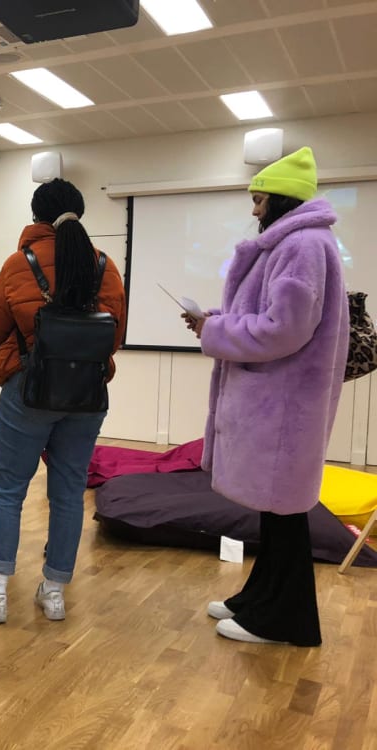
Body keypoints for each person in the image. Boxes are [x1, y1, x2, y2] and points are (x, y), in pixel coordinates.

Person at [184, 147, 348, 646]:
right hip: (281, 402)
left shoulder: (301, 246)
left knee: (285, 517)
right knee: (277, 515)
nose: (254, 210)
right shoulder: (298, 244)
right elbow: (268, 315)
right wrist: (215, 321)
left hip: (283, 405)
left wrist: (214, 328)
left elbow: (284, 329)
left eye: (259, 200)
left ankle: (283, 621)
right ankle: (259, 600)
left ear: (281, 199)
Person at [0, 178, 126, 624]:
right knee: (70, 492)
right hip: (88, 395)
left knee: (8, 488)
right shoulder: (107, 267)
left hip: (30, 391)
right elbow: (116, 337)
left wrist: (23, 357)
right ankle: (53, 592)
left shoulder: (19, 264)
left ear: (36, 216)